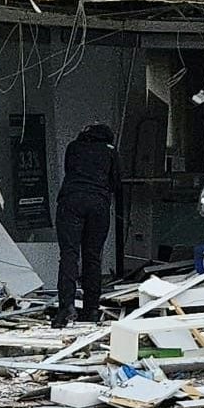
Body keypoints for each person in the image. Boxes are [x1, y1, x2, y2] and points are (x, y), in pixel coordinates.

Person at [53, 122, 117, 329]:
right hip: (98, 204)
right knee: (92, 258)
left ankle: (66, 307)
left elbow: (69, 169)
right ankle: (91, 309)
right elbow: (116, 181)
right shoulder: (110, 152)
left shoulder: (73, 147)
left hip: (71, 201)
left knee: (69, 255)